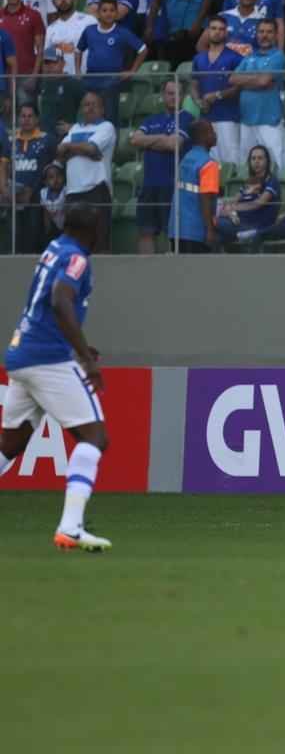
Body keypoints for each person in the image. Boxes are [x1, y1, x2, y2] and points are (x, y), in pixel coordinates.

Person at [0, 205, 112, 552]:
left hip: (22, 353)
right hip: (48, 359)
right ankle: (71, 527)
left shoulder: (54, 248)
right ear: (93, 228)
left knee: (10, 445)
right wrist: (84, 359)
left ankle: (71, 526)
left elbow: (47, 306)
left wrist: (78, 342)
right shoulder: (77, 257)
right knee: (95, 437)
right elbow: (60, 300)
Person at [130, 80, 192, 254]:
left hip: (171, 185)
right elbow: (134, 140)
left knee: (172, 233)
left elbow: (174, 144)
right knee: (145, 231)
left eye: (177, 93)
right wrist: (163, 139)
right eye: (170, 93)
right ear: (163, 95)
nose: (173, 97)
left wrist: (148, 142)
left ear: (184, 96)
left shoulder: (187, 118)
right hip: (149, 185)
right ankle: (145, 274)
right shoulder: (151, 119)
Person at [58, 91, 116, 252]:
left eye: (94, 104)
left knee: (98, 241)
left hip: (96, 190)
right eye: (86, 104)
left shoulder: (107, 127)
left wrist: (72, 148)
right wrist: (86, 150)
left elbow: (91, 148)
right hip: (73, 192)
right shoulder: (75, 127)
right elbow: (60, 151)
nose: (89, 108)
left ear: (102, 109)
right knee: (72, 244)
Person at [76, 0, 148, 122]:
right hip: (90, 78)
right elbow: (78, 50)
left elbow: (143, 49)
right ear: (98, 13)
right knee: (86, 113)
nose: (108, 13)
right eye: (104, 10)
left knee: (109, 116)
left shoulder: (123, 32)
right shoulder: (89, 31)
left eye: (112, 10)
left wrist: (132, 71)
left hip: (111, 80)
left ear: (116, 14)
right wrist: (77, 71)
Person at [229, 18, 285, 169]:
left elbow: (264, 81)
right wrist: (258, 78)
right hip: (247, 120)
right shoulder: (249, 57)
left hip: (270, 120)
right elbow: (233, 79)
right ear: (256, 34)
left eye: (269, 32)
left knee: (277, 164)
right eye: (261, 31)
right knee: (246, 166)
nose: (264, 35)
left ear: (275, 35)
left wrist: (247, 81)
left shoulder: (278, 56)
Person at [191, 14, 243, 165]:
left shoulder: (235, 58)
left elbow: (239, 86)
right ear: (207, 31)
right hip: (206, 119)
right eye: (213, 28)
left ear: (226, 32)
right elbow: (194, 84)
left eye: (221, 29)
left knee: (230, 161)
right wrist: (198, 101)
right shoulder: (199, 58)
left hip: (228, 117)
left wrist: (218, 95)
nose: (217, 32)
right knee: (209, 163)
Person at [170, 118, 221, 252]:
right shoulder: (209, 164)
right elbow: (206, 198)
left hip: (176, 228)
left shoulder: (185, 159)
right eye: (211, 132)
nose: (215, 135)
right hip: (196, 230)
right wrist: (209, 230)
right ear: (203, 137)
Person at [12, 102, 53, 254]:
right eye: (23, 116)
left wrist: (32, 190)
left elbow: (50, 170)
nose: (26, 119)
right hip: (13, 199)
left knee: (33, 242)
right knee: (15, 242)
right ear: (18, 119)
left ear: (37, 119)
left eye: (30, 116)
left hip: (37, 201)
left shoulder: (47, 140)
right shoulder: (11, 141)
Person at [0, 0, 44, 103]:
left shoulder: (34, 15)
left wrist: (35, 76)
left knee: (25, 117)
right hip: (3, 77)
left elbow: (40, 49)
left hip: (26, 76)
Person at [45, 0, 96, 78]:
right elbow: (48, 62)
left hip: (88, 78)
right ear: (53, 2)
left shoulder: (89, 21)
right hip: (62, 82)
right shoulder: (50, 29)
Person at [39, 161, 66, 242]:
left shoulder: (66, 191)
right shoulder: (43, 193)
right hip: (53, 224)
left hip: (65, 225)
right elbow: (45, 213)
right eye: (51, 177)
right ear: (45, 182)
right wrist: (47, 230)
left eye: (58, 176)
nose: (56, 179)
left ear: (64, 178)